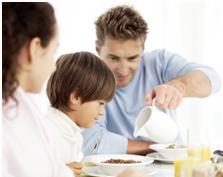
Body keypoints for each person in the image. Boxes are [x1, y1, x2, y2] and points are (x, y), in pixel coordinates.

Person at [2, 3, 150, 177]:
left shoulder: (23, 104)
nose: (54, 67)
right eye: (53, 52)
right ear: (34, 49)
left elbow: (57, 169)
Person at [82, 5, 221, 156]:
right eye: (114, 58)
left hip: (168, 167)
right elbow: (93, 143)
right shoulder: (88, 81)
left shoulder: (159, 62)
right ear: (98, 49)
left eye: (132, 58)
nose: (123, 70)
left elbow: (213, 80)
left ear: (142, 50)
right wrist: (159, 148)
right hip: (118, 172)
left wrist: (177, 87)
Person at [45, 52, 116, 177]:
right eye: (100, 103)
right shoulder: (48, 130)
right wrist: (59, 173)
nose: (102, 112)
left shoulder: (72, 131)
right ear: (76, 97)